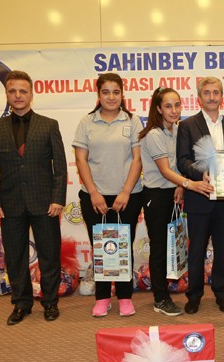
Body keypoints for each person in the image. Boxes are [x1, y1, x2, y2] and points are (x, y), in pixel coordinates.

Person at [0, 70, 67, 325]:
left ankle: (50, 302)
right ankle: (21, 304)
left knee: (49, 255)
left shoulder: (49, 125)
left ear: (31, 94)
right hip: (10, 205)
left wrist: (58, 198)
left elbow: (60, 167)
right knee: (15, 256)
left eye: (23, 91)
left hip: (45, 203)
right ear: (7, 94)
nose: (18, 95)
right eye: (12, 91)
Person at [73, 72, 143, 318]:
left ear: (122, 94)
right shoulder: (87, 122)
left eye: (116, 92)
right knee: (101, 247)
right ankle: (102, 298)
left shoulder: (133, 121)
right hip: (94, 197)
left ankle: (124, 297)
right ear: (98, 94)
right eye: (106, 92)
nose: (111, 97)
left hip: (128, 196)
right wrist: (94, 192)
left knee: (123, 246)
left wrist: (125, 192)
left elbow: (137, 159)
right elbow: (81, 160)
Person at [139, 87, 213, 316]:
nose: (174, 110)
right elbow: (164, 170)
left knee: (173, 246)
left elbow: (179, 165)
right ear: (158, 109)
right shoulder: (154, 134)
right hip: (156, 197)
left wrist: (181, 186)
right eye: (168, 106)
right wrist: (190, 184)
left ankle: (166, 292)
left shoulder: (178, 130)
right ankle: (160, 299)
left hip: (174, 193)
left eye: (177, 105)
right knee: (159, 248)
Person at [176, 76, 224, 314]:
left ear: (222, 96)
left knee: (222, 249)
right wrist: (199, 173)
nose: (212, 97)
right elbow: (183, 160)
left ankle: (221, 294)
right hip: (199, 198)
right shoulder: (187, 125)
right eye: (207, 93)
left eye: (216, 92)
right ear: (199, 97)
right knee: (196, 250)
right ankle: (194, 296)